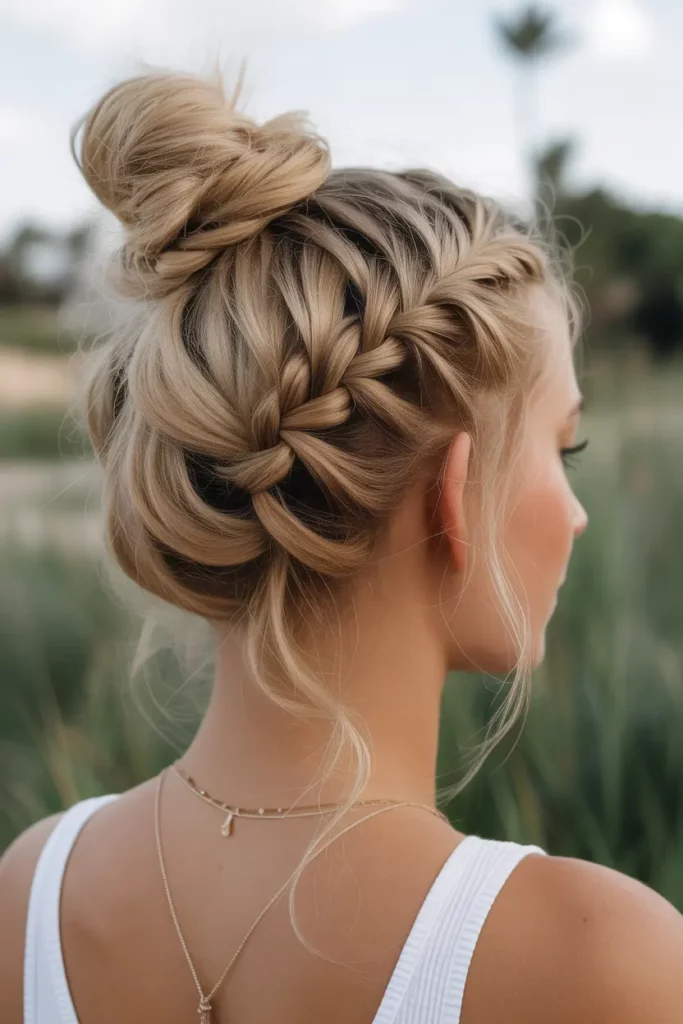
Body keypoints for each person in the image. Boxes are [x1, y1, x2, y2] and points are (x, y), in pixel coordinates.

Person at [2, 67, 682, 1024]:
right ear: (458, 492)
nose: (575, 514)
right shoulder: (600, 960)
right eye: (560, 448)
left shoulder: (30, 893)